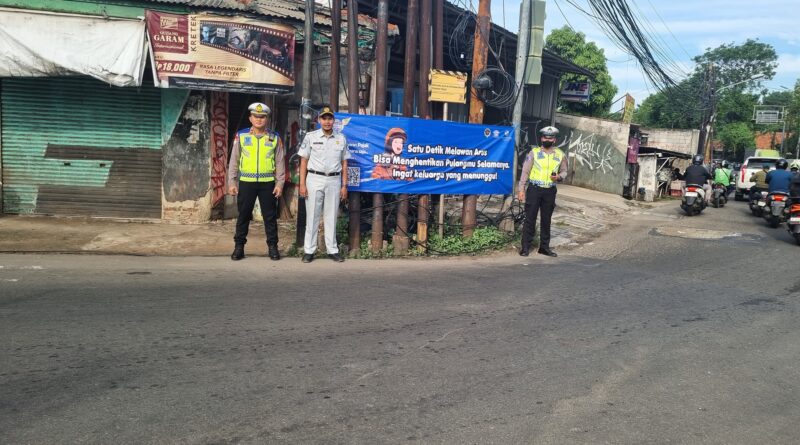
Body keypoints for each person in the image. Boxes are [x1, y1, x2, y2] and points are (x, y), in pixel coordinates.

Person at [227, 102, 285, 261]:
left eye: (262, 117)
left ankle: (273, 247)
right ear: (250, 118)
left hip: (268, 183)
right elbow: (234, 160)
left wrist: (280, 184)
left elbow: (280, 162)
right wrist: (232, 182)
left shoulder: (274, 137)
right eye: (256, 116)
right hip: (247, 182)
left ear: (267, 119)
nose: (259, 119)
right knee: (243, 216)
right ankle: (239, 247)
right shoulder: (241, 136)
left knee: (270, 217)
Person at [298, 106, 351, 263]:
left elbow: (345, 163)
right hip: (314, 179)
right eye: (324, 118)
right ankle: (309, 250)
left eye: (330, 118)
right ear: (319, 120)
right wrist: (302, 184)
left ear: (334, 120)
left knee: (331, 216)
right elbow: (303, 161)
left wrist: (344, 185)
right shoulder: (311, 137)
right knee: (312, 216)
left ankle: (332, 250)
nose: (327, 121)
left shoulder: (341, 138)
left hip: (334, 180)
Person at [517, 126, 568, 258]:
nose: (548, 140)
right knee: (530, 219)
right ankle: (525, 247)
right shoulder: (533, 153)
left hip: (550, 191)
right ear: (541, 138)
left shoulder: (560, 154)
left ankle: (544, 248)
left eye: (550, 138)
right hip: (534, 189)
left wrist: (559, 177)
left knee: (546, 220)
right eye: (545, 137)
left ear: (554, 140)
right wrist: (521, 189)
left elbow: (564, 171)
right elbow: (525, 172)